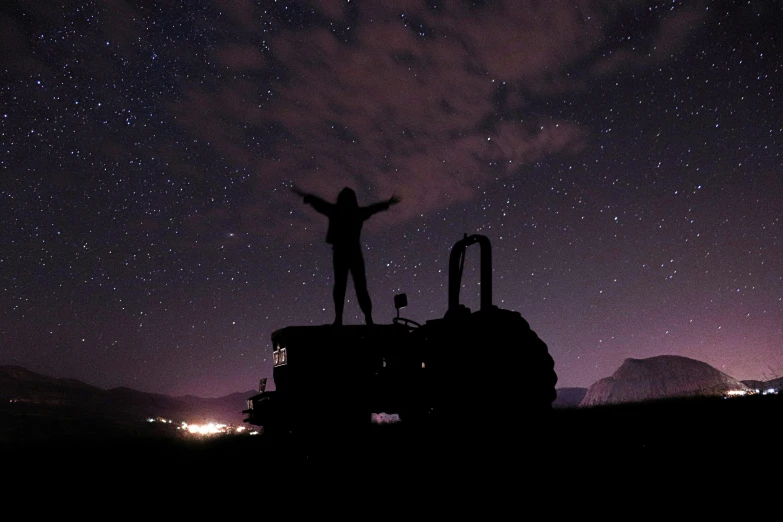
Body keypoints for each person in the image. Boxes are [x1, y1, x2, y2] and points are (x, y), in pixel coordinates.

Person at [292, 186, 400, 326]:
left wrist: (309, 198)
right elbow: (372, 209)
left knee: (344, 286)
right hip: (351, 252)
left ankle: (346, 318)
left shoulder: (337, 211)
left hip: (343, 252)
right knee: (354, 286)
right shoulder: (355, 212)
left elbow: (321, 205)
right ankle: (363, 318)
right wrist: (387, 203)